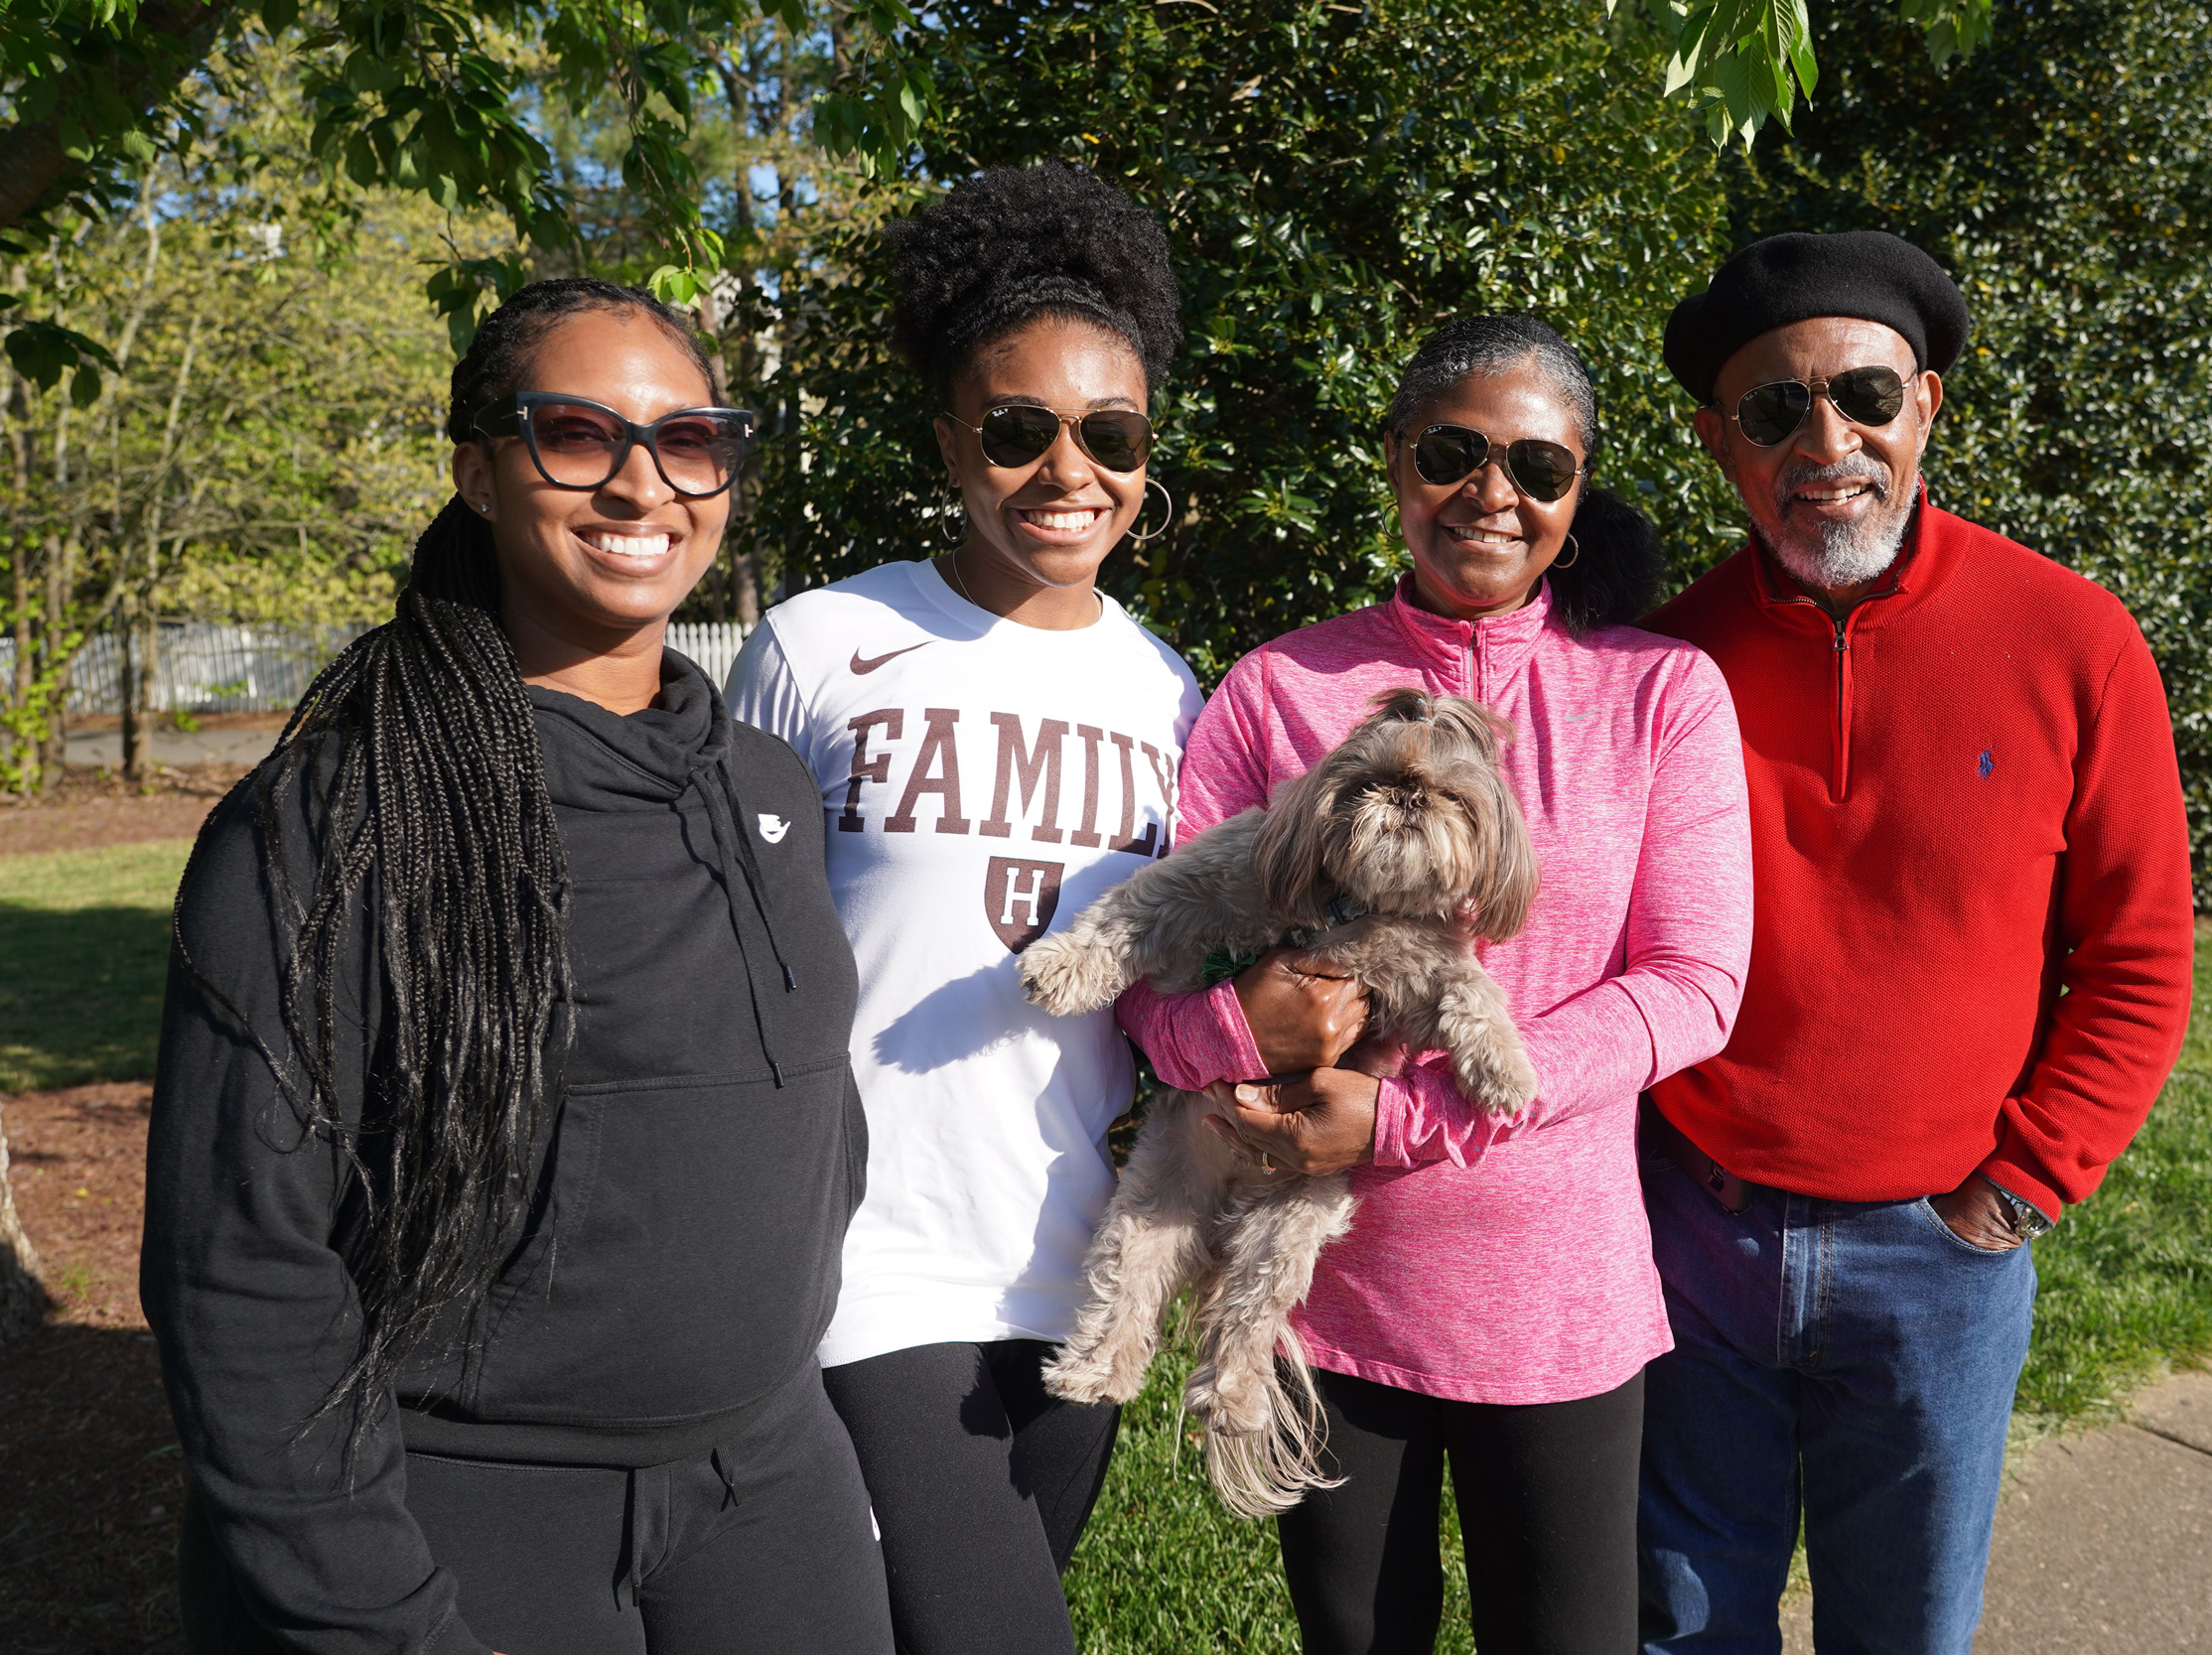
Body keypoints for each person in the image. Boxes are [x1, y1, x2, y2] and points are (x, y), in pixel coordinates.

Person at [143, 279, 894, 1654]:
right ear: (479, 473)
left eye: (689, 439)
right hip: (470, 1503)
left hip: (767, 1480)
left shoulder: (765, 786)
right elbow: (238, 1270)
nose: (641, 484)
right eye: (577, 434)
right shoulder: (335, 819)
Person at [1119, 314, 1753, 1655]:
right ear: (1399, 460)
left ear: (1579, 494)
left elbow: (1693, 984)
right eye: (1455, 452)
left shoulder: (1660, 697)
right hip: (1329, 1305)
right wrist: (1241, 1029)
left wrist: (1403, 1122)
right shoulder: (1280, 689)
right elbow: (1155, 978)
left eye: (1539, 467)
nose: (1493, 493)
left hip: (1558, 1300)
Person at [1635, 230, 2196, 1654]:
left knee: (1907, 1633)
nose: (1828, 442)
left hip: (1940, 1249)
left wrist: (2016, 1190)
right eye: (1774, 410)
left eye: (1866, 397)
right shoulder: (1662, 661)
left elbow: (2139, 957)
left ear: (1927, 405)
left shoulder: (2076, 640)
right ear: (1720, 443)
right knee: (1682, 1629)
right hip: (1695, 1234)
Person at [725, 163, 1200, 1655]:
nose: (1070, 471)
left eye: (1109, 434)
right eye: (1019, 428)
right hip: (868, 1249)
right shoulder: (822, 644)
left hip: (1075, 1255)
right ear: (950, 440)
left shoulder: (1174, 693)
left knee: (962, 1611)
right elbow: (732, 954)